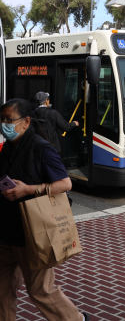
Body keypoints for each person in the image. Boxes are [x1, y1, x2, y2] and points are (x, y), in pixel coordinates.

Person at [0, 98, 90, 320]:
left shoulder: (41, 148)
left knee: (40, 290)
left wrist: (28, 190)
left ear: (26, 121)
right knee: (1, 291)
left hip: (32, 234)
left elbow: (65, 184)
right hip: (5, 233)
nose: (4, 124)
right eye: (1, 119)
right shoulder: (7, 149)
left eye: (9, 120)